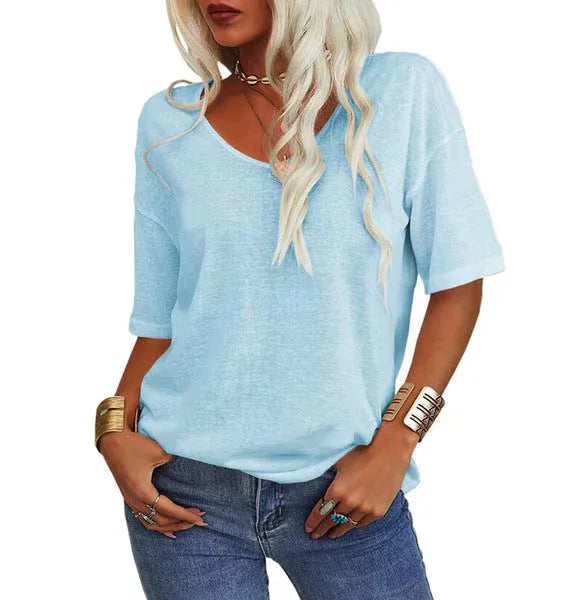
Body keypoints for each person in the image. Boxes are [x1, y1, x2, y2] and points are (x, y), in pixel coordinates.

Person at [96, 1, 504, 598]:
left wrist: (398, 440)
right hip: (184, 492)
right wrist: (112, 431)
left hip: (345, 490)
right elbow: (161, 316)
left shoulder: (400, 90)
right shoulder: (171, 122)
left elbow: (458, 282)